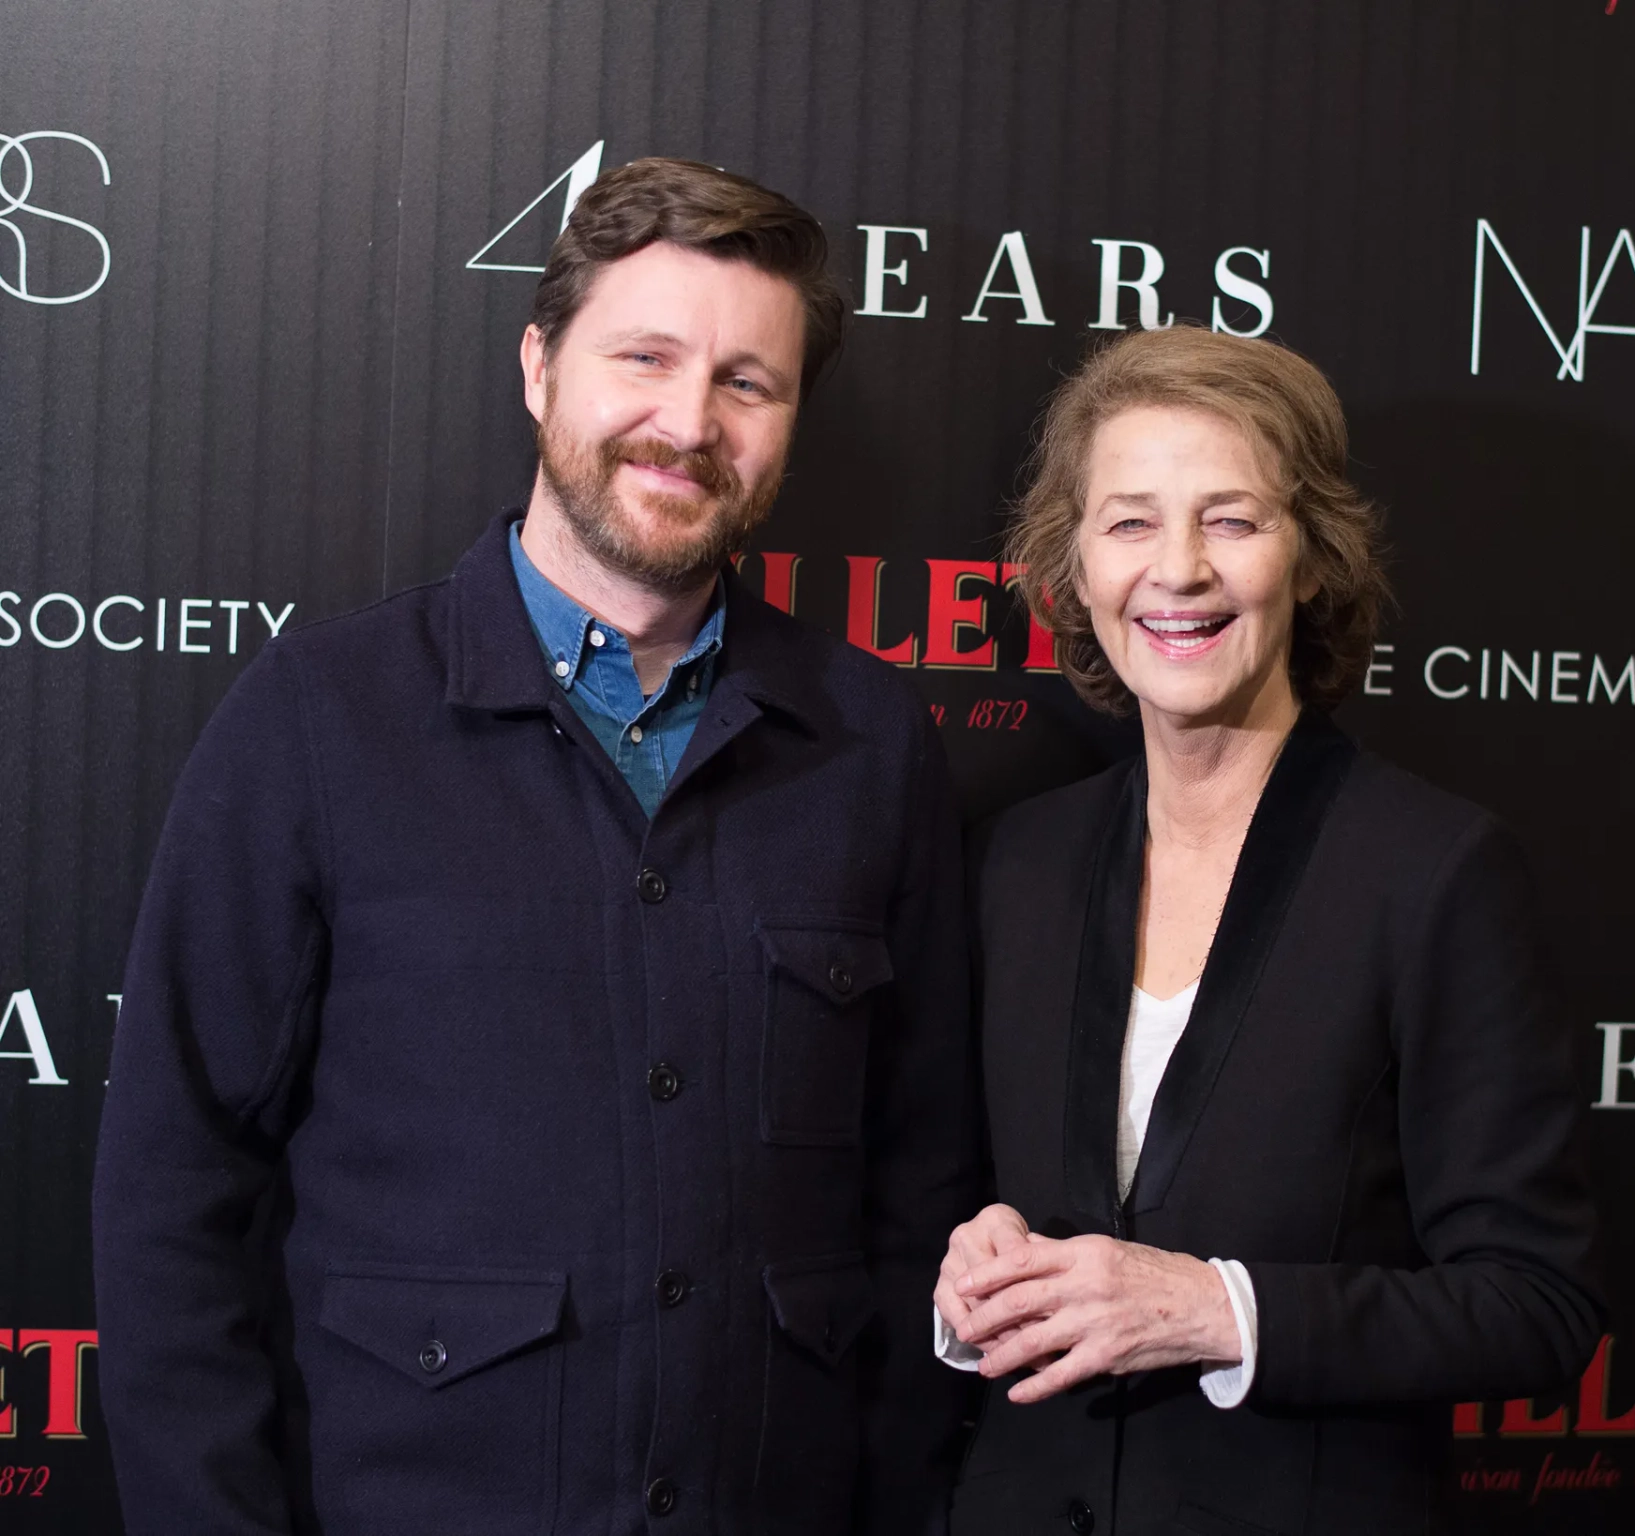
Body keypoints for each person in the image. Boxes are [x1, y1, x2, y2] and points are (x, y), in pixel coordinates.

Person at [93, 157, 978, 1535]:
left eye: (749, 383)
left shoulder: (872, 746)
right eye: (645, 357)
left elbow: (924, 1201)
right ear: (539, 366)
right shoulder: (317, 721)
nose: (688, 423)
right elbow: (172, 1197)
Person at [934, 326, 1603, 1534]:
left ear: (1309, 559)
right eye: (1131, 522)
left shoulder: (1435, 873)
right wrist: (973, 1264)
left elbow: (1538, 1303)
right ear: (1073, 567)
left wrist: (1218, 1310)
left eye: (1232, 520)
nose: (1178, 570)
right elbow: (950, 1205)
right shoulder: (1014, 862)